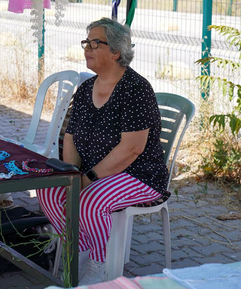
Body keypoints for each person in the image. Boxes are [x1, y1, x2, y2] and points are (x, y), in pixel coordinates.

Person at [36, 18, 168, 285]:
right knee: (48, 189)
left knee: (91, 200)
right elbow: (71, 137)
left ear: (116, 52)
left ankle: (99, 266)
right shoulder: (86, 88)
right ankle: (80, 252)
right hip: (94, 172)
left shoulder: (135, 89)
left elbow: (132, 149)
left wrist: (87, 180)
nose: (87, 48)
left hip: (138, 175)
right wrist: (72, 175)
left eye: (95, 43)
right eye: (86, 42)